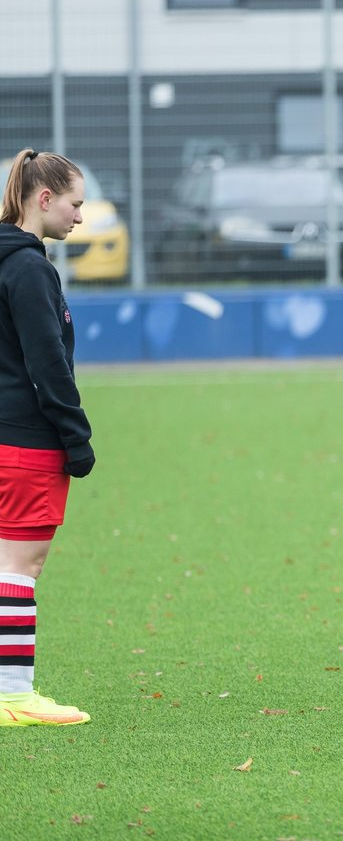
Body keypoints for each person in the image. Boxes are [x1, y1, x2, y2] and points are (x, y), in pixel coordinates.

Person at [0, 149, 96, 726]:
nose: (80, 217)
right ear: (43, 200)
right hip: (25, 439)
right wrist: (75, 435)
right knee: (19, 568)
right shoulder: (30, 267)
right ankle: (14, 697)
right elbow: (48, 361)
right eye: (75, 204)